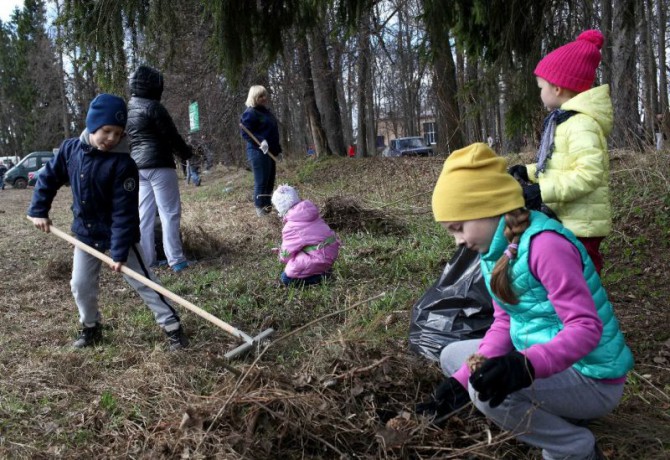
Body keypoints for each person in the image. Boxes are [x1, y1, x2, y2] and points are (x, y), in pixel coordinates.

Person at [417, 143, 633, 460]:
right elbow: (505, 322)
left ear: (489, 209)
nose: (459, 240)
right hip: (545, 360)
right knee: (454, 357)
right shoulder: (497, 251)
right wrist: (460, 383)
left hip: (592, 377)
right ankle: (551, 410)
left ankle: (572, 446)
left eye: (458, 227)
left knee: (487, 392)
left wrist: (525, 367)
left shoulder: (546, 247)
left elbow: (587, 328)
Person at [26, 94, 188, 351]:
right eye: (107, 131)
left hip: (119, 233)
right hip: (86, 233)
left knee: (143, 280)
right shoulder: (70, 150)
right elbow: (47, 179)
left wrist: (120, 251)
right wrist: (39, 210)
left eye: (118, 133)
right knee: (80, 284)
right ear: (92, 125)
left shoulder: (123, 165)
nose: (112, 138)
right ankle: (90, 328)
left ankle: (172, 326)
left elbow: (124, 213)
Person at [508, 30, 612, 274]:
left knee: (581, 281)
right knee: (566, 278)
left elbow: (588, 174)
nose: (539, 92)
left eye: (541, 86)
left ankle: (587, 312)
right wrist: (530, 172)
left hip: (581, 225)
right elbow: (558, 165)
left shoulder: (581, 124)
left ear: (557, 88)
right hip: (568, 218)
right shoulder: (564, 121)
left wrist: (542, 192)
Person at [126, 65, 193, 272]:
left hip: (138, 167)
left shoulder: (128, 108)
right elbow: (171, 136)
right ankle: (176, 259)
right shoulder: (154, 107)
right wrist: (187, 154)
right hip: (160, 165)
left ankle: (148, 261)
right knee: (169, 212)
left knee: (144, 215)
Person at [271, 184, 340, 286]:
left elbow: (287, 253)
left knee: (286, 278)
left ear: (280, 209)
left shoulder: (291, 227)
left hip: (320, 258)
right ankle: (323, 270)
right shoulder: (309, 212)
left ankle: (321, 277)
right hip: (331, 250)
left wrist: (281, 254)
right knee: (299, 259)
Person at [240, 85, 281, 217]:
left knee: (270, 180)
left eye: (265, 95)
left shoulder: (266, 112)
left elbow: (272, 132)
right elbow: (245, 132)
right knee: (262, 180)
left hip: (270, 152)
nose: (264, 98)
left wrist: (277, 150)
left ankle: (267, 207)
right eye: (260, 96)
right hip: (258, 152)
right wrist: (260, 140)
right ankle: (260, 209)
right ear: (254, 98)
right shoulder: (250, 113)